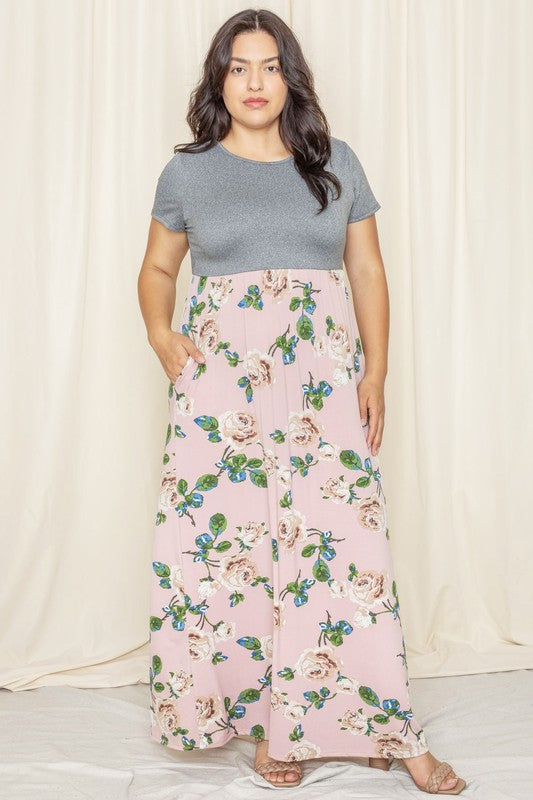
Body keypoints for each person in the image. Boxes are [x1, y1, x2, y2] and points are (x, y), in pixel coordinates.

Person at [138, 7, 466, 795]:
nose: (254, 82)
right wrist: (161, 335)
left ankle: (388, 725)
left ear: (291, 78)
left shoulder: (335, 162)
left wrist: (375, 373)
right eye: (239, 67)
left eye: (270, 66)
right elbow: (157, 270)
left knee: (344, 547)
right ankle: (267, 726)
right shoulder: (187, 172)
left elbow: (368, 274)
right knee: (236, 554)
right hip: (221, 389)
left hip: (320, 381)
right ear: (219, 78)